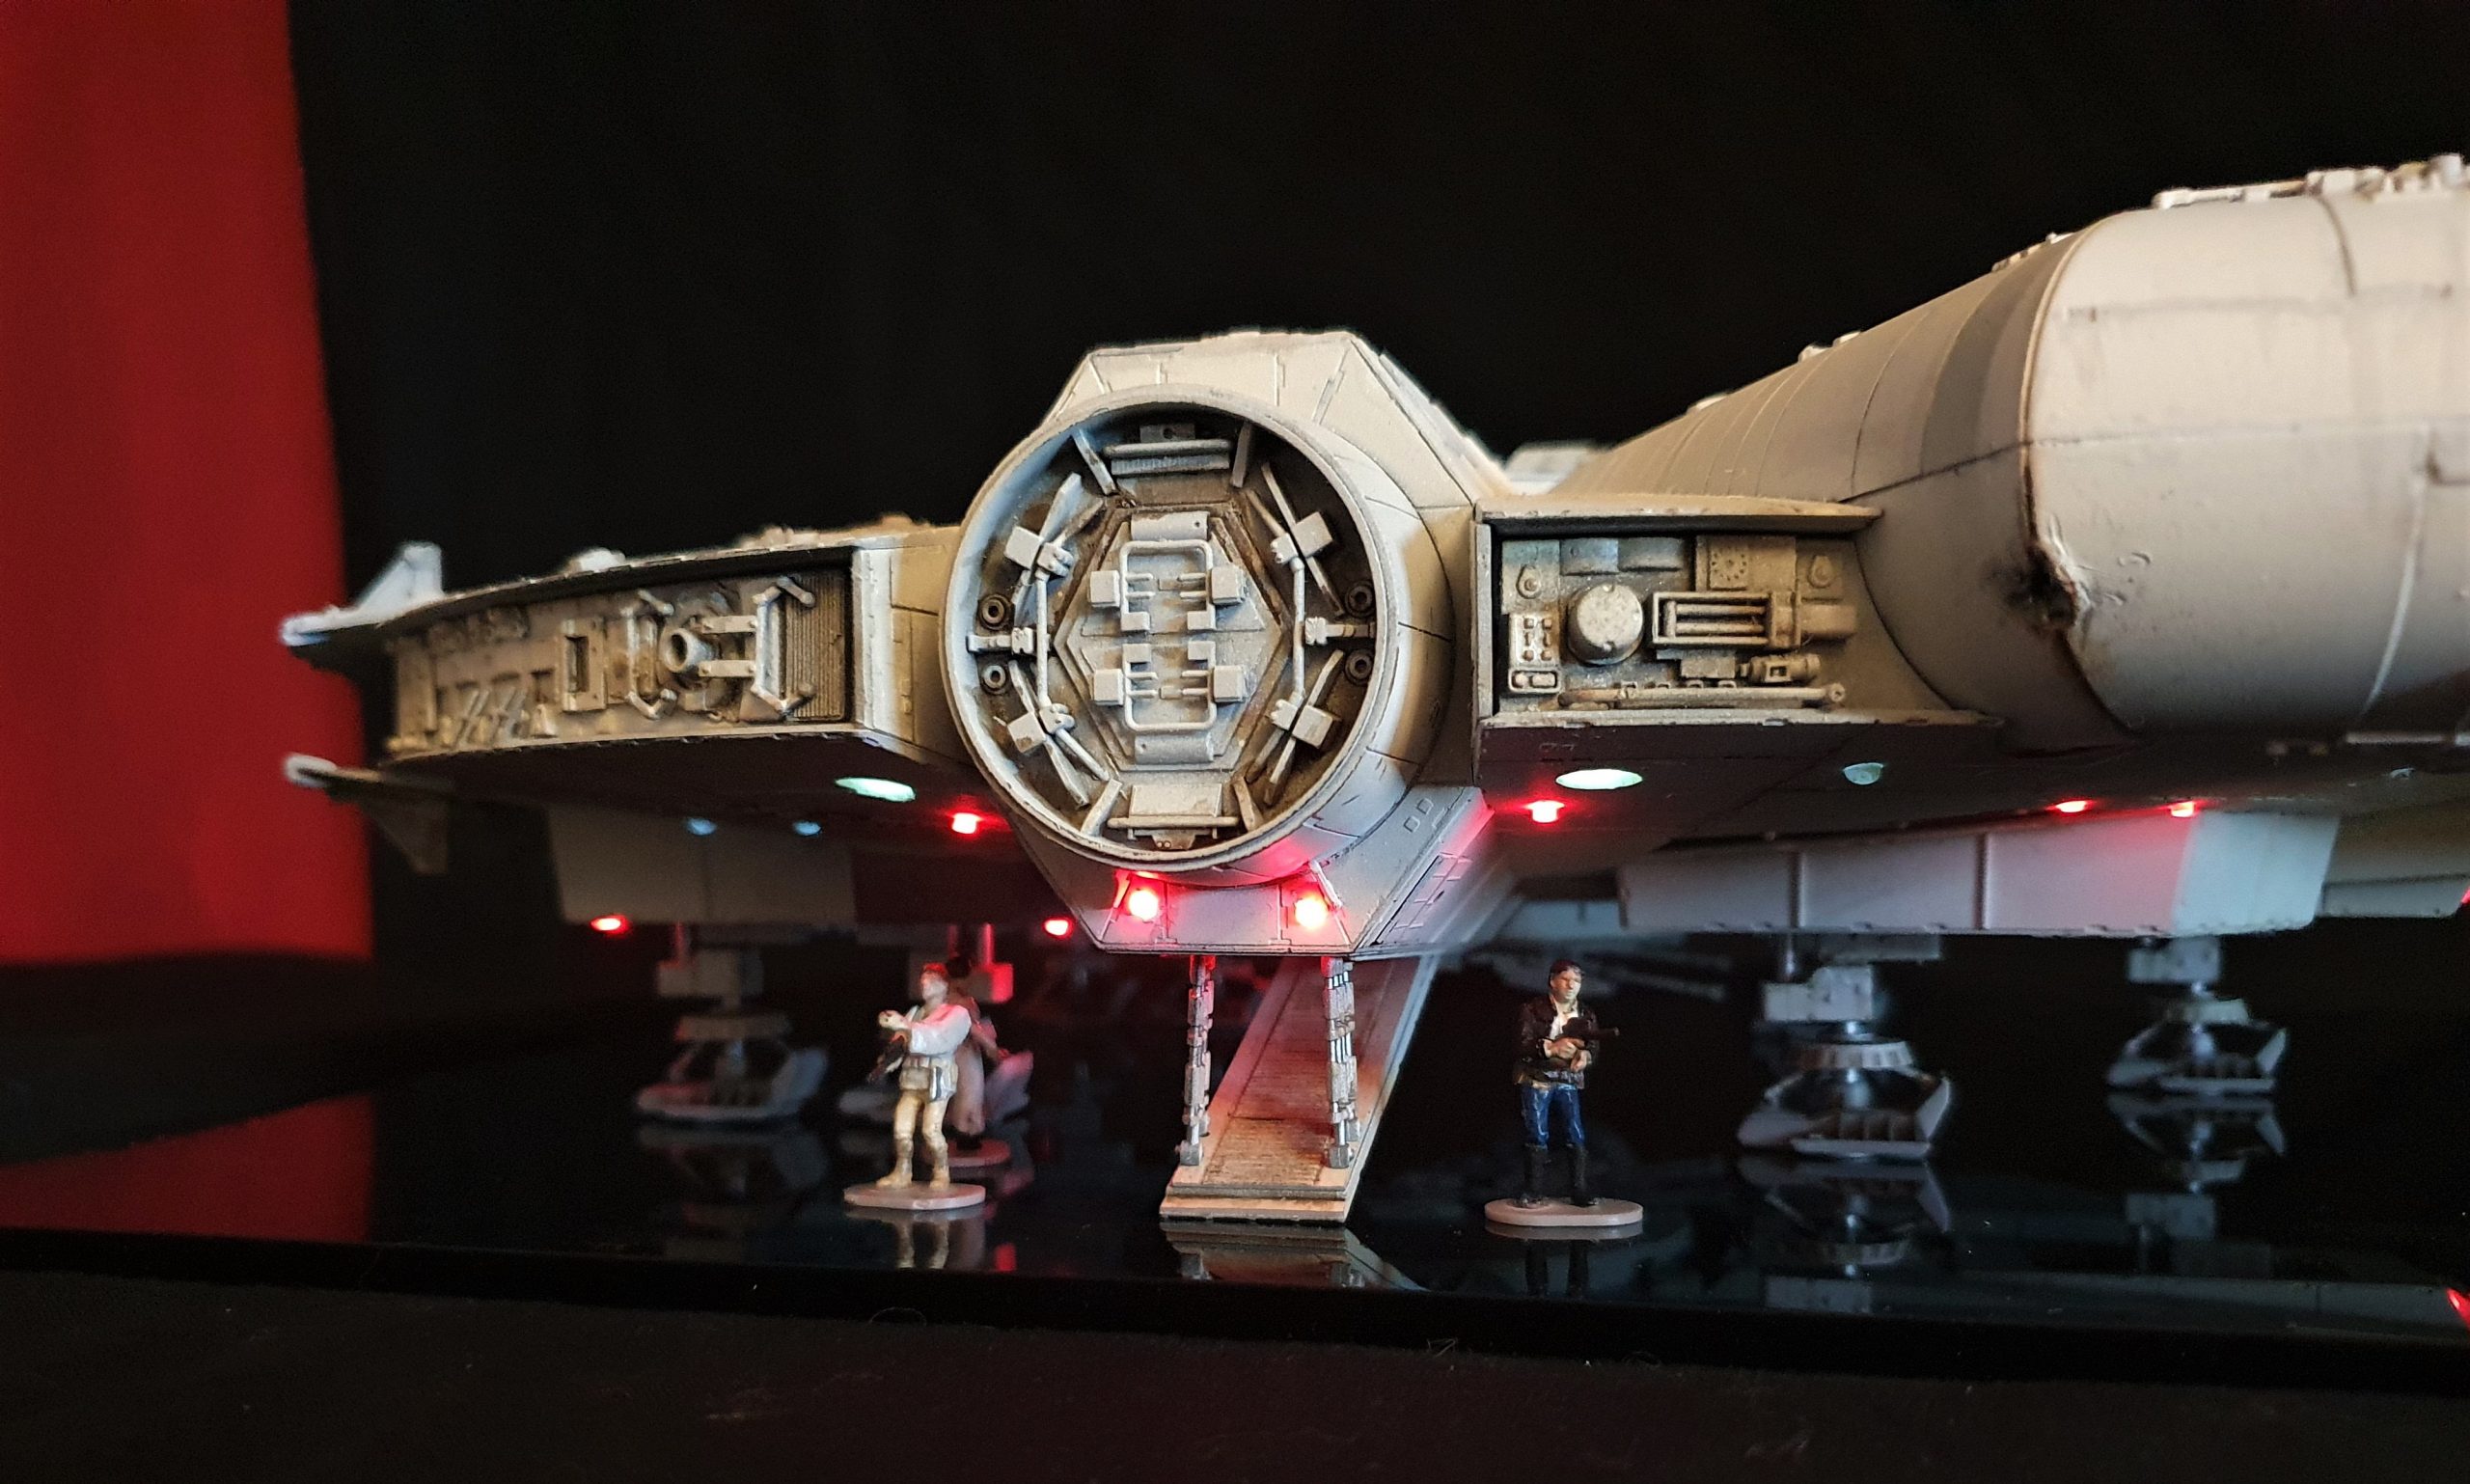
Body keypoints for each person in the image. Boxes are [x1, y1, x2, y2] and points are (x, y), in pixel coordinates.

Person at [873, 960, 975, 1190]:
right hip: (912, 1079)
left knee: (931, 1131)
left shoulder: (956, 1014)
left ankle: (941, 1172)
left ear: (944, 985)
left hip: (936, 1079)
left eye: (931, 981)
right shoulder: (915, 1013)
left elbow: (938, 1038)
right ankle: (902, 1171)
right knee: (901, 1130)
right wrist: (887, 1062)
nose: (925, 985)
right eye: (923, 981)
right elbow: (900, 1044)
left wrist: (905, 1025)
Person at [1513, 958, 1600, 1207]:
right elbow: (1522, 1043)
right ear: (1553, 981)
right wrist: (1551, 1048)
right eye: (1566, 979)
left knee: (1575, 1132)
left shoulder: (1585, 1013)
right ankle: (1533, 1190)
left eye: (1577, 981)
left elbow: (1594, 1044)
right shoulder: (1532, 1010)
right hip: (1537, 1078)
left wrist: (1586, 1055)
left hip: (1568, 1079)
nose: (1571, 985)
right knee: (1537, 1133)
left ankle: (1579, 1189)